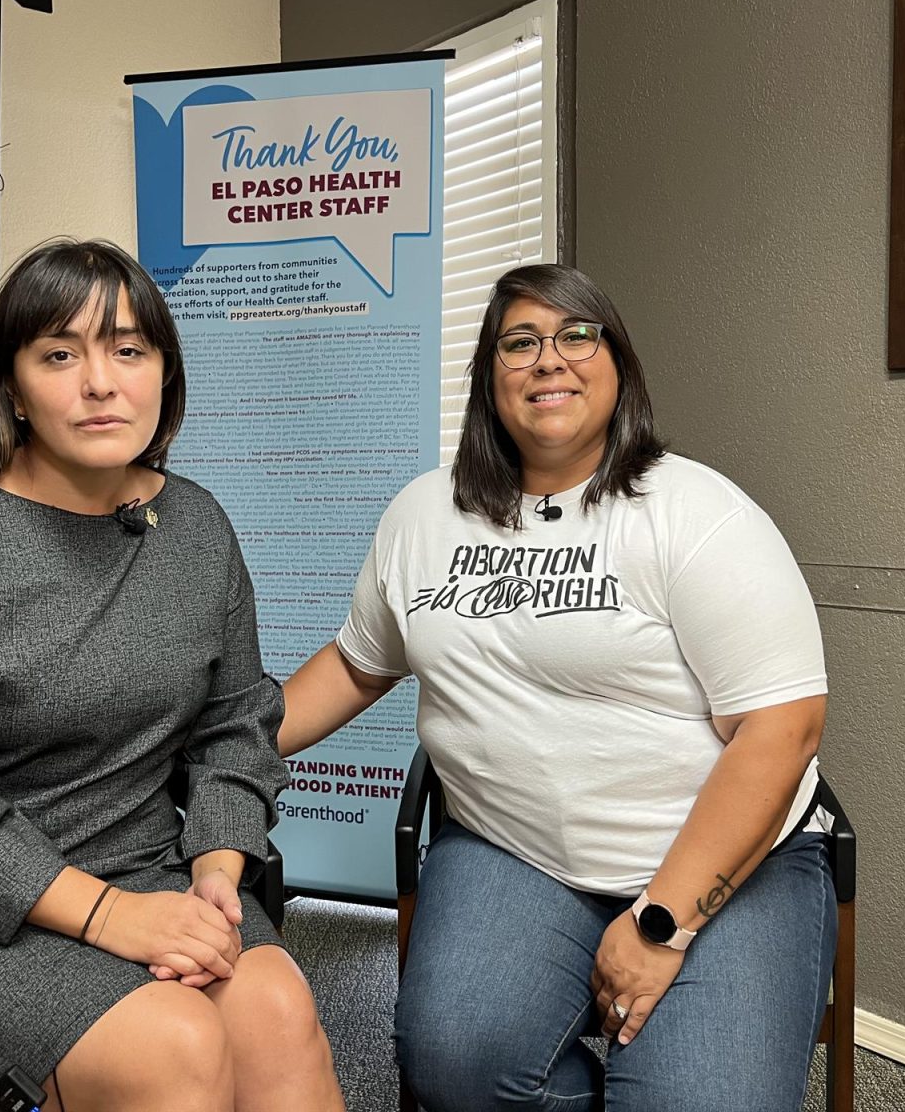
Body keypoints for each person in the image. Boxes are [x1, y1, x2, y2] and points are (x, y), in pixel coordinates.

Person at [0, 238, 343, 1112]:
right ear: (12, 384)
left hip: (147, 875)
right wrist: (109, 917)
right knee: (176, 1044)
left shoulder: (196, 527)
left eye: (129, 350)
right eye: (60, 353)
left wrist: (215, 869)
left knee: (278, 1009)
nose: (100, 382)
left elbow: (236, 723)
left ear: (164, 371)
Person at [279, 264, 834, 1112]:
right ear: (488, 375)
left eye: (578, 335)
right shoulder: (422, 516)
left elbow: (782, 731)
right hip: (514, 850)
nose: (550, 360)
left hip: (719, 862)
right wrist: (222, 737)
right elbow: (358, 664)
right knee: (456, 1062)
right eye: (521, 342)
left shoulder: (696, 512)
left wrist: (662, 923)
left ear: (619, 365)